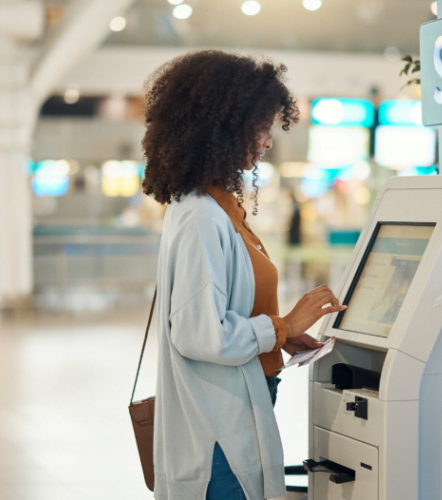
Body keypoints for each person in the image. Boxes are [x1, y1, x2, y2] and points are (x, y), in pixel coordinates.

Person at [141, 50, 345, 500]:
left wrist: (281, 339)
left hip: (237, 403)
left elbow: (225, 306)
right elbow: (200, 334)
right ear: (223, 127)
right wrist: (283, 325)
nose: (268, 140)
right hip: (215, 424)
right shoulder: (201, 216)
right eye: (261, 127)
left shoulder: (218, 208)